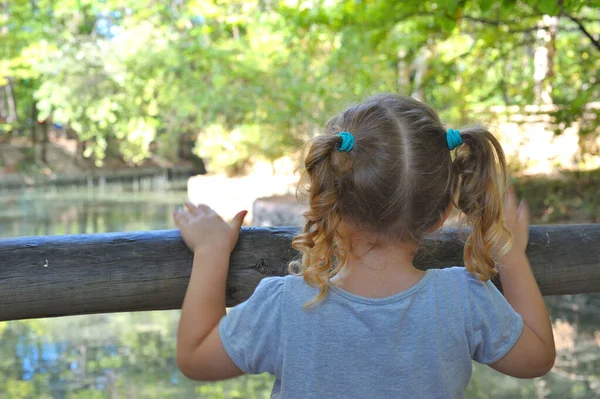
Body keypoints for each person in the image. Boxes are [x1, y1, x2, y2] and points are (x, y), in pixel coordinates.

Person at [173, 94, 556, 398]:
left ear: (329, 203)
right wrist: (509, 253)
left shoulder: (285, 305)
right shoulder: (464, 299)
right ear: (441, 215)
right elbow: (537, 357)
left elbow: (195, 358)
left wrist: (211, 252)